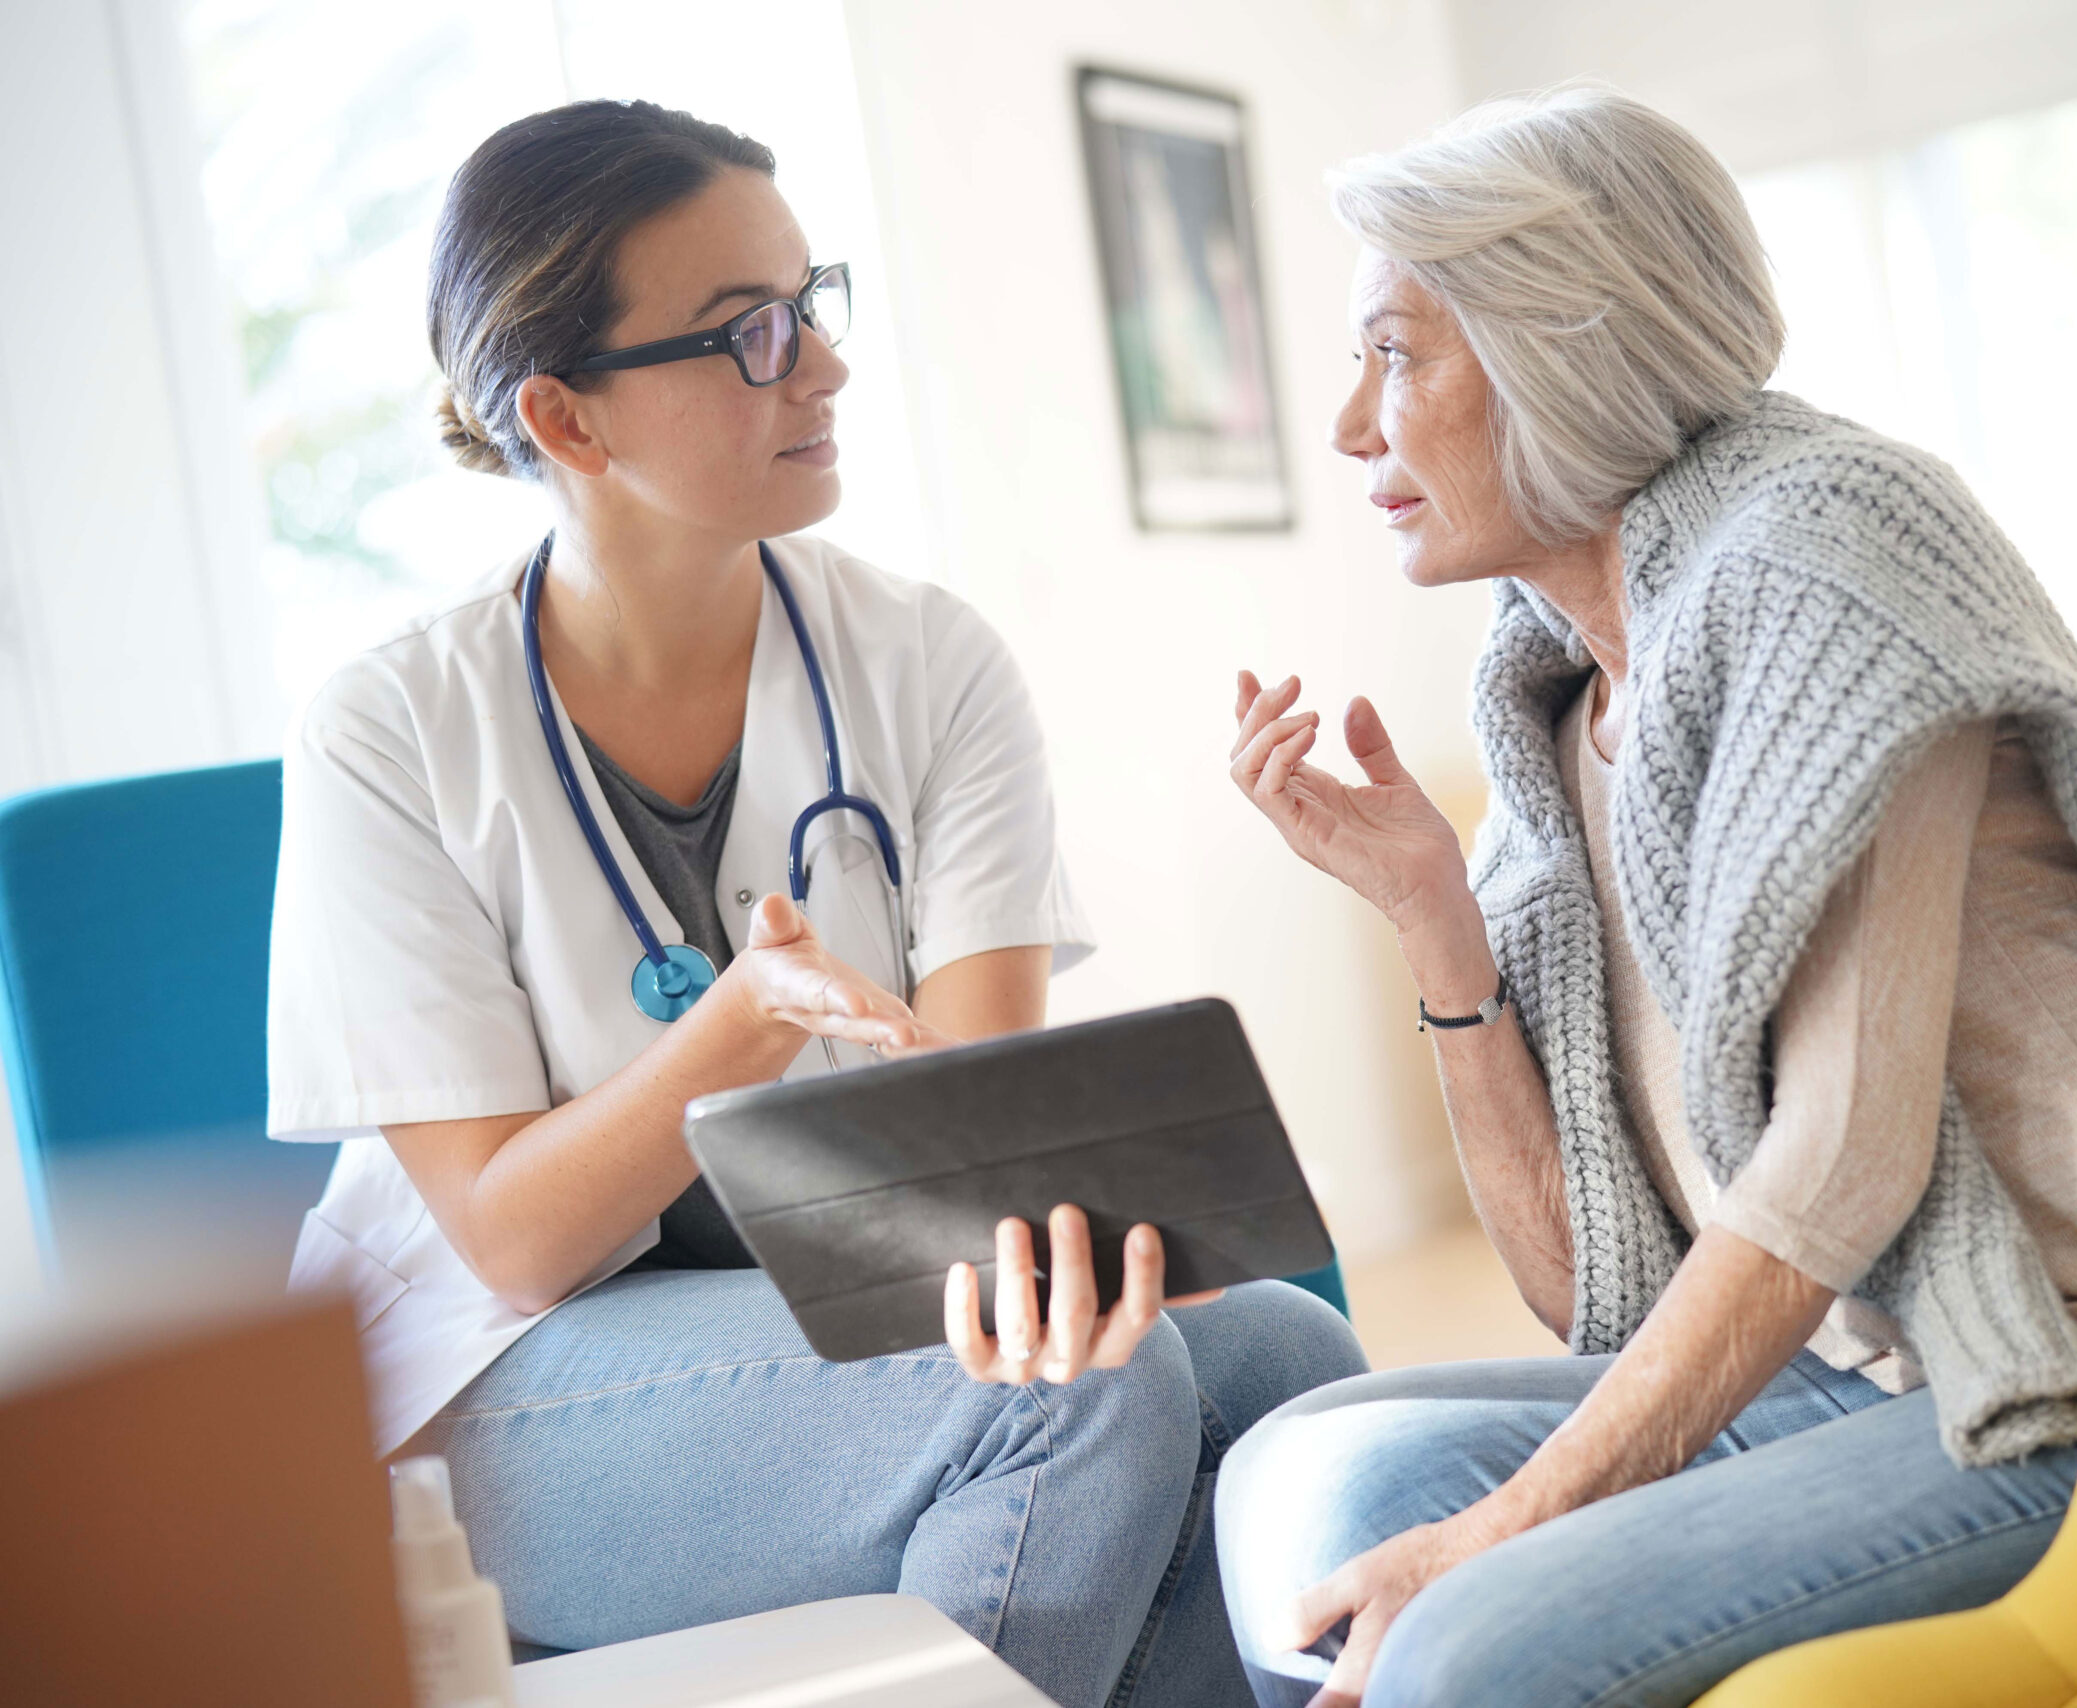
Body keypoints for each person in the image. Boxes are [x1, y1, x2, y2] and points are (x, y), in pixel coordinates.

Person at [1213, 86, 2077, 1708]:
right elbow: (1594, 1295)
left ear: (1557, 347)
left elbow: (1844, 1160)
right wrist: (1439, 916)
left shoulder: (1827, 557)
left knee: (1473, 1643)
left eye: (1396, 355)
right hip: (1888, 1361)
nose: (1357, 428)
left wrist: (1508, 1527)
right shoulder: (1563, 696)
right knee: (1312, 1485)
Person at [264, 100, 1362, 1708]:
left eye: (811, 302)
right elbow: (512, 1240)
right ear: (568, 420)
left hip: (823, 1315)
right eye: (750, 337)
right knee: (1072, 1401)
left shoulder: (930, 665)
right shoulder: (389, 729)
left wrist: (1100, 1225)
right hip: (487, 1391)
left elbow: (979, 1164)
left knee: (1291, 1369)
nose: (825, 367)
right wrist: (742, 1026)